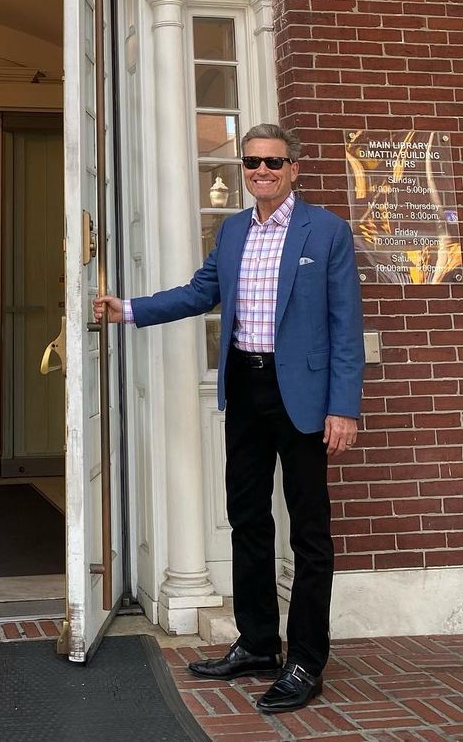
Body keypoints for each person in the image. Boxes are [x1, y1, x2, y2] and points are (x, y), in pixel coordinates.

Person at [93, 124, 364, 715]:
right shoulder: (234, 229)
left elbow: (346, 325)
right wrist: (130, 309)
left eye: (273, 162)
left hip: (304, 397)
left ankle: (306, 660)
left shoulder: (327, 230)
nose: (261, 171)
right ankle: (259, 644)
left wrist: (343, 406)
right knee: (247, 518)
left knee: (309, 531)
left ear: (294, 169)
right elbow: (200, 293)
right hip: (245, 386)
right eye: (251, 162)